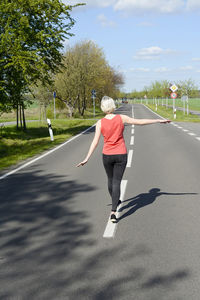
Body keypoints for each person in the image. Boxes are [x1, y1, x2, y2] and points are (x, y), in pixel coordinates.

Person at [76, 96, 171, 223]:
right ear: (113, 106)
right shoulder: (121, 118)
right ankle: (114, 211)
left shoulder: (100, 122)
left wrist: (86, 158)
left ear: (103, 108)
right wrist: (158, 120)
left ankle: (114, 204)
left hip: (107, 155)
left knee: (110, 181)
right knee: (116, 182)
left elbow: (95, 142)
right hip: (121, 154)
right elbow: (139, 122)